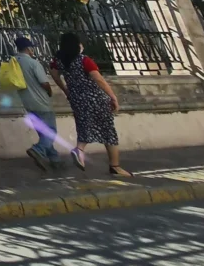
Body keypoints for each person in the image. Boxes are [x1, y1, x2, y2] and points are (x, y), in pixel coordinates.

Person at [50, 32, 131, 176]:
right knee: (108, 130)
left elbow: (54, 75)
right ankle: (115, 166)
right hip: (95, 98)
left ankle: (79, 149)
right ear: (77, 45)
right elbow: (99, 79)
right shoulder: (84, 60)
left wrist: (66, 90)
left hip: (76, 99)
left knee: (84, 125)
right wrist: (112, 96)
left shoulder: (58, 61)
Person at [14, 36, 59, 171]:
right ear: (28, 49)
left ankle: (55, 160)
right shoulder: (33, 63)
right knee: (51, 132)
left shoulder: (13, 62)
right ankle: (37, 149)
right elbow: (44, 83)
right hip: (41, 102)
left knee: (43, 132)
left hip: (27, 102)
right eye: (32, 48)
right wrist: (49, 92)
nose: (33, 50)